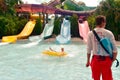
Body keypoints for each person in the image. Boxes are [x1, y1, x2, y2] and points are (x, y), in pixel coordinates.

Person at [86, 15, 118, 80]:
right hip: (106, 60)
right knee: (107, 78)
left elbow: (88, 49)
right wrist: (112, 60)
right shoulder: (109, 33)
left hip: (95, 60)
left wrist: (88, 61)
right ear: (103, 22)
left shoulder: (90, 33)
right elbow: (115, 50)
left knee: (96, 78)